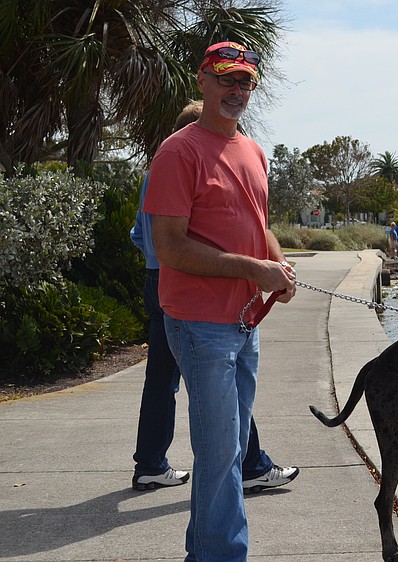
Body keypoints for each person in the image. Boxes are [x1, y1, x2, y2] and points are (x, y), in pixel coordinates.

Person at [143, 41, 297, 561]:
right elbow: (170, 247)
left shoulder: (253, 151)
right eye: (227, 78)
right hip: (198, 325)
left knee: (227, 452)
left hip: (245, 322)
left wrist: (277, 266)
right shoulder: (177, 152)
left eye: (246, 82)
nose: (237, 90)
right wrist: (252, 269)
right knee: (219, 453)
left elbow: (259, 225)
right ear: (203, 81)